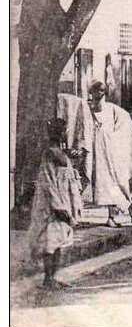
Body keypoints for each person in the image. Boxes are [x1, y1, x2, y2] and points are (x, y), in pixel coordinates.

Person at [27, 118, 84, 289]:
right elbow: (48, 182)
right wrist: (58, 206)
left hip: (63, 201)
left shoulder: (61, 153)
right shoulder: (50, 154)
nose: (62, 133)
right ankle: (47, 278)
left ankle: (53, 277)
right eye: (60, 131)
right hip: (52, 204)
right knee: (50, 241)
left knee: (59, 240)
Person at [87, 81, 132, 227]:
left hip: (111, 153)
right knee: (103, 186)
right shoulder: (88, 110)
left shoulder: (113, 110)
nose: (97, 95)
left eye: (100, 92)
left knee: (113, 184)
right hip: (97, 153)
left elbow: (124, 125)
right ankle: (121, 211)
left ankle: (119, 212)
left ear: (104, 93)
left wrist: (115, 143)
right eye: (95, 92)